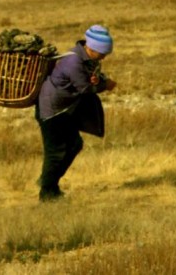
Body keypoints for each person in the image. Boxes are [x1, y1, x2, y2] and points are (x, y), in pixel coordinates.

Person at [35, 24, 117, 202]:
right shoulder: (74, 62)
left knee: (74, 145)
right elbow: (85, 88)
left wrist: (97, 79)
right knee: (55, 152)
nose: (104, 57)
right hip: (51, 111)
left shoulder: (86, 59)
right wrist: (105, 85)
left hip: (62, 110)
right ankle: (46, 193)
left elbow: (87, 80)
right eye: (103, 53)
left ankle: (50, 184)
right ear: (92, 48)